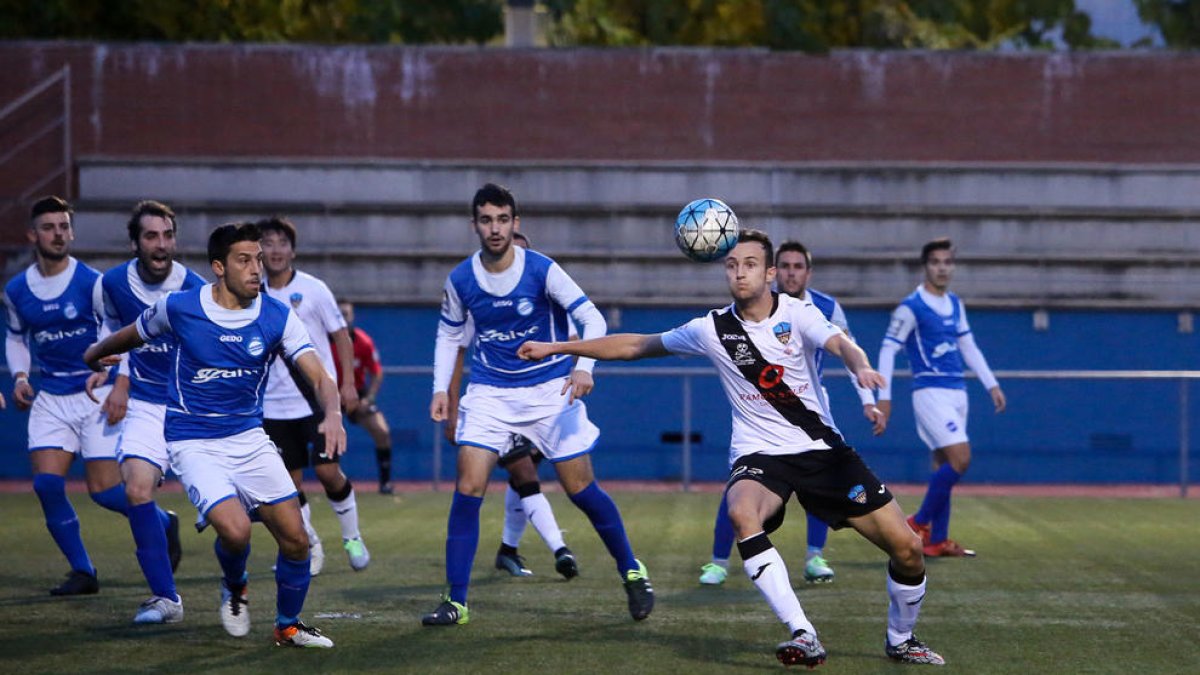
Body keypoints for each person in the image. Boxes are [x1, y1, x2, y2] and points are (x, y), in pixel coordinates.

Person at [519, 229, 944, 667]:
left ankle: (901, 639)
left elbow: (840, 343)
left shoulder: (798, 313)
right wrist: (559, 347)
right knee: (742, 512)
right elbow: (635, 344)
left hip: (821, 451)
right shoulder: (711, 329)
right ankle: (803, 633)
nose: (740, 273)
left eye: (750, 264)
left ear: (770, 273)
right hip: (759, 456)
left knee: (908, 549)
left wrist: (862, 366)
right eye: (732, 265)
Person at [84, 222, 341, 648]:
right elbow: (132, 334)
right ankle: (235, 585)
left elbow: (319, 375)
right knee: (236, 532)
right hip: (193, 439)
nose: (256, 269)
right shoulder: (180, 308)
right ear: (219, 267)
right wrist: (94, 354)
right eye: (244, 260)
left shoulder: (277, 315)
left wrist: (332, 414)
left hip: (249, 437)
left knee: (297, 541)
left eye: (258, 259)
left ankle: (288, 626)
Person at [424, 183, 651, 626]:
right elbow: (449, 334)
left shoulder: (543, 269)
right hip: (490, 393)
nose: (495, 228)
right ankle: (456, 601)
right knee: (468, 487)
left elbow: (592, 318)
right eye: (486, 220)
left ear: (516, 223)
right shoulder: (461, 279)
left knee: (581, 490)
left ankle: (631, 570)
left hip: (550, 391)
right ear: (474, 225)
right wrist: (439, 390)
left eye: (502, 219)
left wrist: (584, 367)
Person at [4, 196, 180, 598]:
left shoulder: (94, 283)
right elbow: (16, 337)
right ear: (32, 235)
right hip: (51, 396)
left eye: (64, 226)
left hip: (95, 394)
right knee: (46, 485)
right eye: (49, 227)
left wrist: (119, 382)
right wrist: (20, 377)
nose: (58, 234)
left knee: (104, 492)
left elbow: (123, 333)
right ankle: (83, 570)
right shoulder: (16, 290)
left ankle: (162, 521)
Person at [699, 240, 885, 587]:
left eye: (798, 267)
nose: (791, 273)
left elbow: (847, 348)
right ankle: (718, 561)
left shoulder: (824, 307)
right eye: (785, 266)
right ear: (774, 271)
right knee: (741, 485)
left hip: (809, 406)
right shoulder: (750, 309)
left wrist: (868, 401)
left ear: (808, 273)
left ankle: (815, 556)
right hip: (760, 407)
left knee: (820, 481)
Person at [444, 229, 578, 581]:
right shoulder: (479, 302)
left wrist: (573, 372)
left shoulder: (544, 294)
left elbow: (575, 339)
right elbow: (456, 349)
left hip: (542, 402)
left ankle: (508, 549)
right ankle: (559, 549)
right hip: (497, 402)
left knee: (524, 479)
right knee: (523, 472)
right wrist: (451, 407)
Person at [97, 200, 204, 623]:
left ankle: (237, 584)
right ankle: (166, 598)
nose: (161, 245)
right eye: (151, 236)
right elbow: (111, 331)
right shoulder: (112, 284)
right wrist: (110, 373)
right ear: (135, 243)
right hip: (146, 405)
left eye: (168, 235)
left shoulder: (195, 288)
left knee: (235, 518)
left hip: (193, 407)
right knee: (137, 490)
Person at [876, 237, 1006, 558]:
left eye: (947, 262)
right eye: (935, 262)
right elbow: (888, 349)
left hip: (958, 391)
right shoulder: (911, 307)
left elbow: (968, 346)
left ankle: (937, 540)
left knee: (943, 465)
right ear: (925, 267)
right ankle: (918, 522)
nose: (942, 268)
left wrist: (991, 384)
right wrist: (884, 397)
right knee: (962, 458)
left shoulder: (955, 304)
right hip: (930, 392)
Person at [258, 217, 367, 574]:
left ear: (293, 250)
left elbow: (341, 336)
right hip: (273, 407)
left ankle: (352, 537)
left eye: (282, 243)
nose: (276, 250)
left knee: (327, 471)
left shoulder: (314, 289)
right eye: (268, 243)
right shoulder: (252, 293)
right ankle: (311, 545)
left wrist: (347, 384)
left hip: (316, 399)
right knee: (288, 485)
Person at [333, 300, 394, 495]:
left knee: (382, 432)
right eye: (339, 314)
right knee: (322, 436)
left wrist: (369, 399)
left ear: (353, 316)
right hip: (330, 394)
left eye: (347, 314)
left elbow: (377, 373)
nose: (343, 318)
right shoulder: (324, 342)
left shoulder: (364, 342)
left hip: (357, 394)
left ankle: (385, 483)